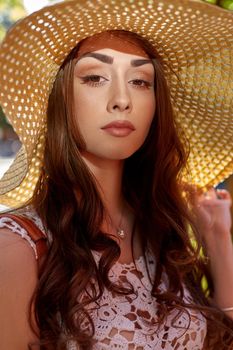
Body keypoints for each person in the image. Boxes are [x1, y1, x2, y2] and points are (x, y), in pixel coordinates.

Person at [0, 0, 233, 349]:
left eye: (141, 81)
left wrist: (217, 238)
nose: (122, 100)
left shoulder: (161, 228)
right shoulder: (18, 249)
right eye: (94, 77)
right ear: (62, 97)